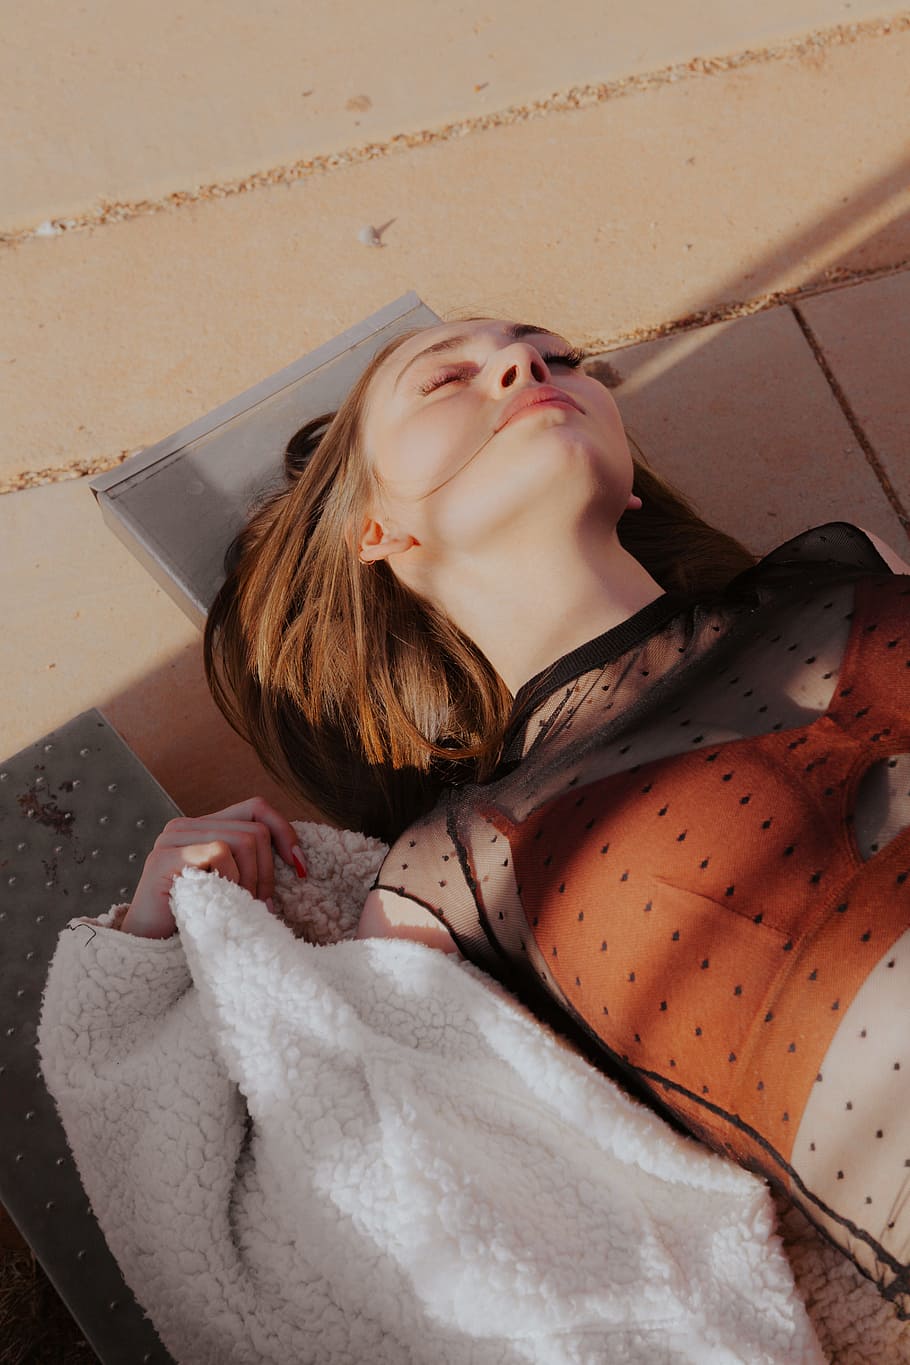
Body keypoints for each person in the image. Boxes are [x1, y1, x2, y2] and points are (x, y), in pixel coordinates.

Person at [122, 312, 910, 1314]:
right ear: (376, 528)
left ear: (624, 478)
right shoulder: (451, 869)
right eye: (444, 381)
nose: (522, 365)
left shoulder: (846, 567)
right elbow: (343, 1174)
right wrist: (154, 948)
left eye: (559, 360)